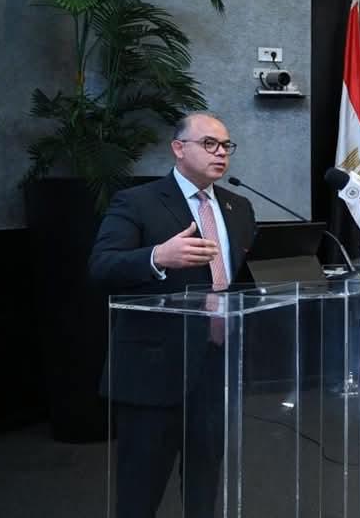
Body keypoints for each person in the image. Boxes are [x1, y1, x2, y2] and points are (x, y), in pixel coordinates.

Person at [90, 112, 255, 518]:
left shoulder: (238, 207)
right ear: (178, 149)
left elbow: (241, 282)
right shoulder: (137, 201)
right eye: (209, 144)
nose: (221, 153)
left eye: (226, 146)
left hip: (215, 366)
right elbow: (102, 266)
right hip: (153, 370)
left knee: (205, 485)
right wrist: (157, 256)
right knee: (140, 493)